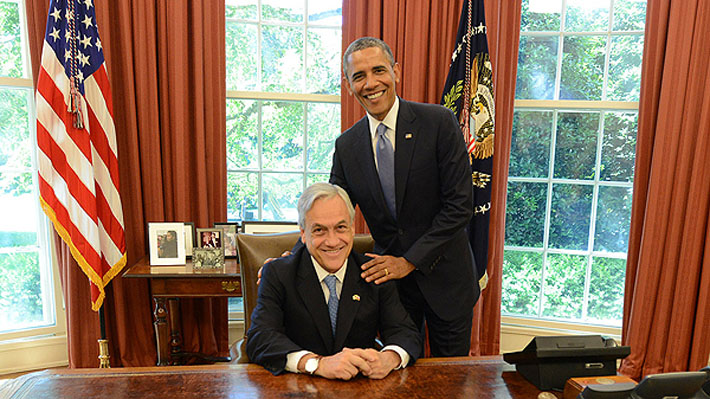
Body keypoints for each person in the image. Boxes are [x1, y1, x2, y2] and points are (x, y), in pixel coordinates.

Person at [331, 37, 479, 357]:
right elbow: (331, 214)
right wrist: (294, 255)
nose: (371, 83)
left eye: (379, 70)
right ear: (348, 85)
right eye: (359, 76)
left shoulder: (438, 122)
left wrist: (408, 262)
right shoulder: (347, 146)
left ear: (396, 72)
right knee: (399, 378)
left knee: (449, 384)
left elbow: (459, 206)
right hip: (394, 294)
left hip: (447, 282)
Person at [246, 182, 421, 379]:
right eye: (319, 230)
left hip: (360, 387)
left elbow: (406, 333)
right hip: (299, 386)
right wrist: (316, 364)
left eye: (340, 228)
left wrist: (389, 358)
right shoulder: (279, 273)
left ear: (352, 229)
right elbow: (260, 338)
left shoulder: (374, 272)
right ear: (303, 234)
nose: (332, 241)